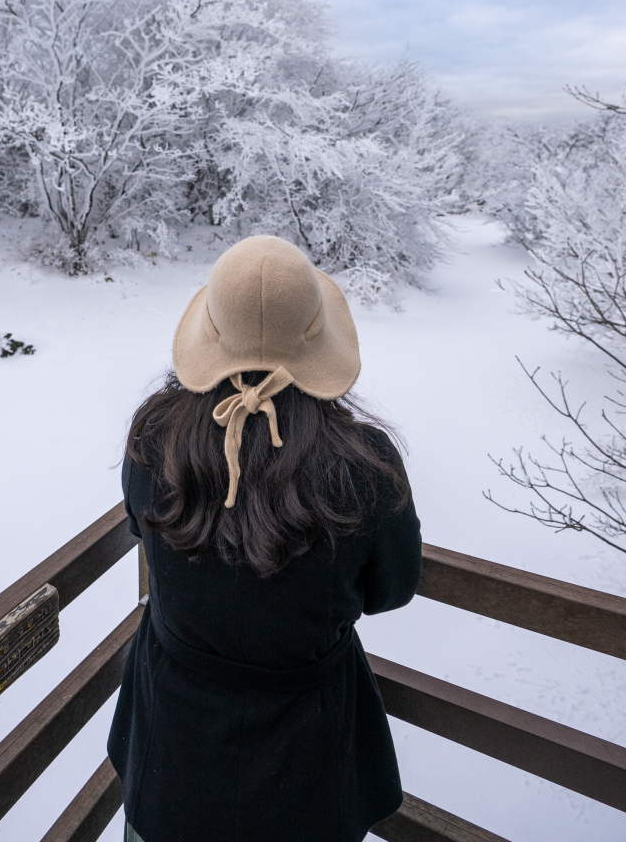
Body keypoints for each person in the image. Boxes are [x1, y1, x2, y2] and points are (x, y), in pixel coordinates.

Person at [107, 234, 422, 842]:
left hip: (171, 752)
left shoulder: (152, 440)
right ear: (317, 341)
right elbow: (392, 587)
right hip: (306, 771)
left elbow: (142, 532)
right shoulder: (363, 467)